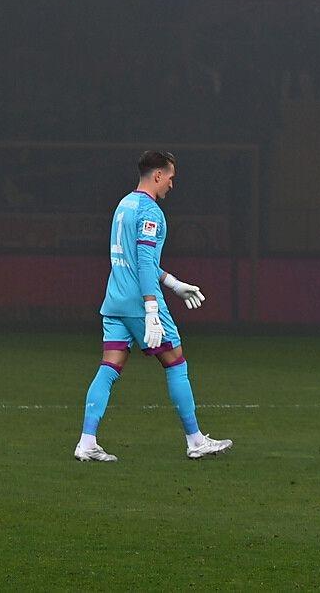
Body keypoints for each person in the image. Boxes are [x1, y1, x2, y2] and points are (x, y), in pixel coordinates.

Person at [75, 149, 230, 462]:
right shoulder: (150, 212)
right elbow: (145, 262)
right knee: (176, 363)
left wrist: (174, 284)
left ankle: (86, 442)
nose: (172, 185)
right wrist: (151, 311)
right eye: (170, 177)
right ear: (158, 175)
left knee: (109, 367)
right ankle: (195, 440)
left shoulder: (124, 204)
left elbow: (133, 259)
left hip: (114, 299)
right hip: (139, 301)